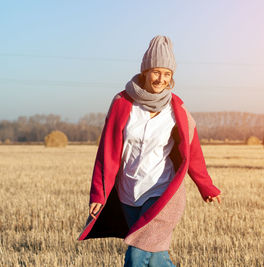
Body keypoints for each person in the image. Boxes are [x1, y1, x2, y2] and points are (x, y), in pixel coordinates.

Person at [78, 35, 222, 267]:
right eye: (156, 72)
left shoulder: (177, 109)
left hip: (163, 192)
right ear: (145, 71)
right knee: (156, 260)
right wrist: (98, 193)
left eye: (167, 74)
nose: (161, 79)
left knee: (136, 255)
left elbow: (193, 151)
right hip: (129, 193)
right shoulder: (122, 103)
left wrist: (206, 186)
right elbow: (107, 151)